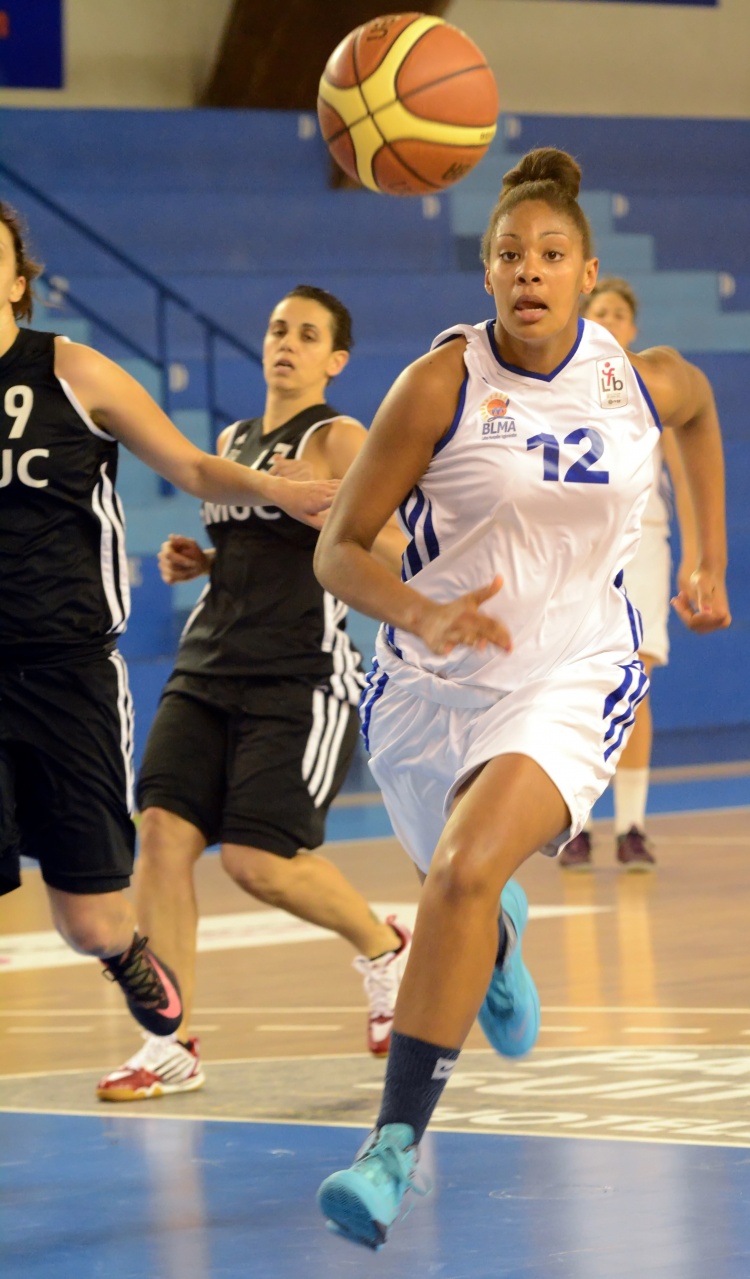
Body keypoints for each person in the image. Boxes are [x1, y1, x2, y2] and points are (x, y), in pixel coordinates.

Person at [312, 149, 731, 1248]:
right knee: (466, 889)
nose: (528, 271)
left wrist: (708, 556)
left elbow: (698, 414)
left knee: (462, 869)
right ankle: (497, 945)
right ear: (487, 273)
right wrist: (421, 610)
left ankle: (389, 1151)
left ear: (587, 274)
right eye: (509, 255)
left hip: (570, 669)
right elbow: (338, 551)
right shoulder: (439, 385)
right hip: (427, 687)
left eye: (550, 255)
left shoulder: (632, 377)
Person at [0, 203, 338, 1043]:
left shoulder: (71, 371)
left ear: (16, 282)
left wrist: (278, 488)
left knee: (89, 920)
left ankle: (125, 953)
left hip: (65, 673)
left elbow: (189, 463)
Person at [96, 285, 411, 1103]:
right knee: (160, 833)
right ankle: (168, 1042)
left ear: (335, 360)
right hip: (208, 664)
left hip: (299, 673)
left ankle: (386, 947)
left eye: (306, 334)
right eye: (277, 329)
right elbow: (254, 544)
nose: (286, 343)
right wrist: (204, 560)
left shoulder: (340, 438)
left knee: (256, 861)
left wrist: (324, 509)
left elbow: (400, 545)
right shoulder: (234, 440)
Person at [559, 276, 698, 869]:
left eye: (619, 313)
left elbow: (684, 481)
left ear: (633, 327)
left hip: (642, 547)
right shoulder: (560, 385)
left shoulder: (653, 386)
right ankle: (577, 824)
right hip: (578, 548)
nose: (610, 320)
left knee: (633, 684)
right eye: (601, 311)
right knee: (576, 689)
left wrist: (698, 557)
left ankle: (632, 826)